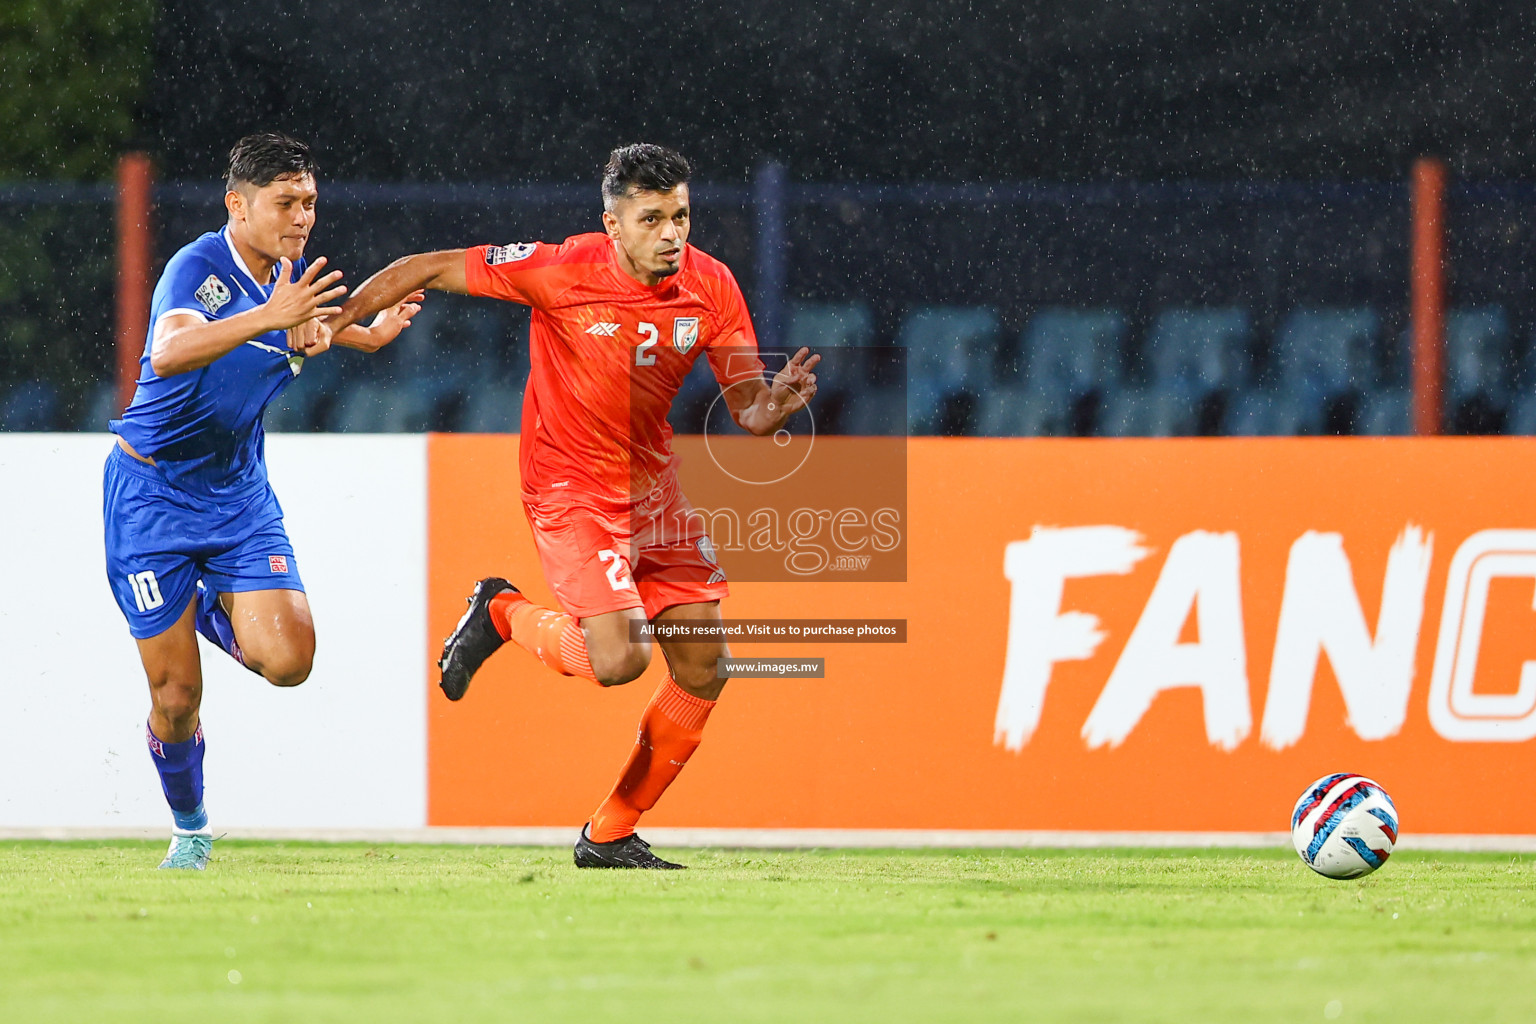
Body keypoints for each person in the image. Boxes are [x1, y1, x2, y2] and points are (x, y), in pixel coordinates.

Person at [327, 143, 819, 869]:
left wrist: (770, 409)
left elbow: (745, 404)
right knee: (619, 659)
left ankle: (611, 833)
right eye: (652, 218)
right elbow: (426, 266)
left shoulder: (712, 287)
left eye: (680, 215)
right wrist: (333, 322)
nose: (672, 233)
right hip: (569, 488)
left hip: (654, 489)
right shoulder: (560, 269)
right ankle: (501, 611)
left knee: (705, 665)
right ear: (613, 226)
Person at [105, 132, 421, 869]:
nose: (303, 216)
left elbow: (300, 333)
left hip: (237, 495)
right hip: (150, 497)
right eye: (286, 202)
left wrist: (358, 335)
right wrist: (277, 319)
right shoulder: (200, 268)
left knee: (289, 659)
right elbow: (171, 351)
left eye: (309, 201)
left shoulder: (286, 277)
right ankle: (190, 828)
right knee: (177, 698)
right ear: (237, 205)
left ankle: (213, 609)